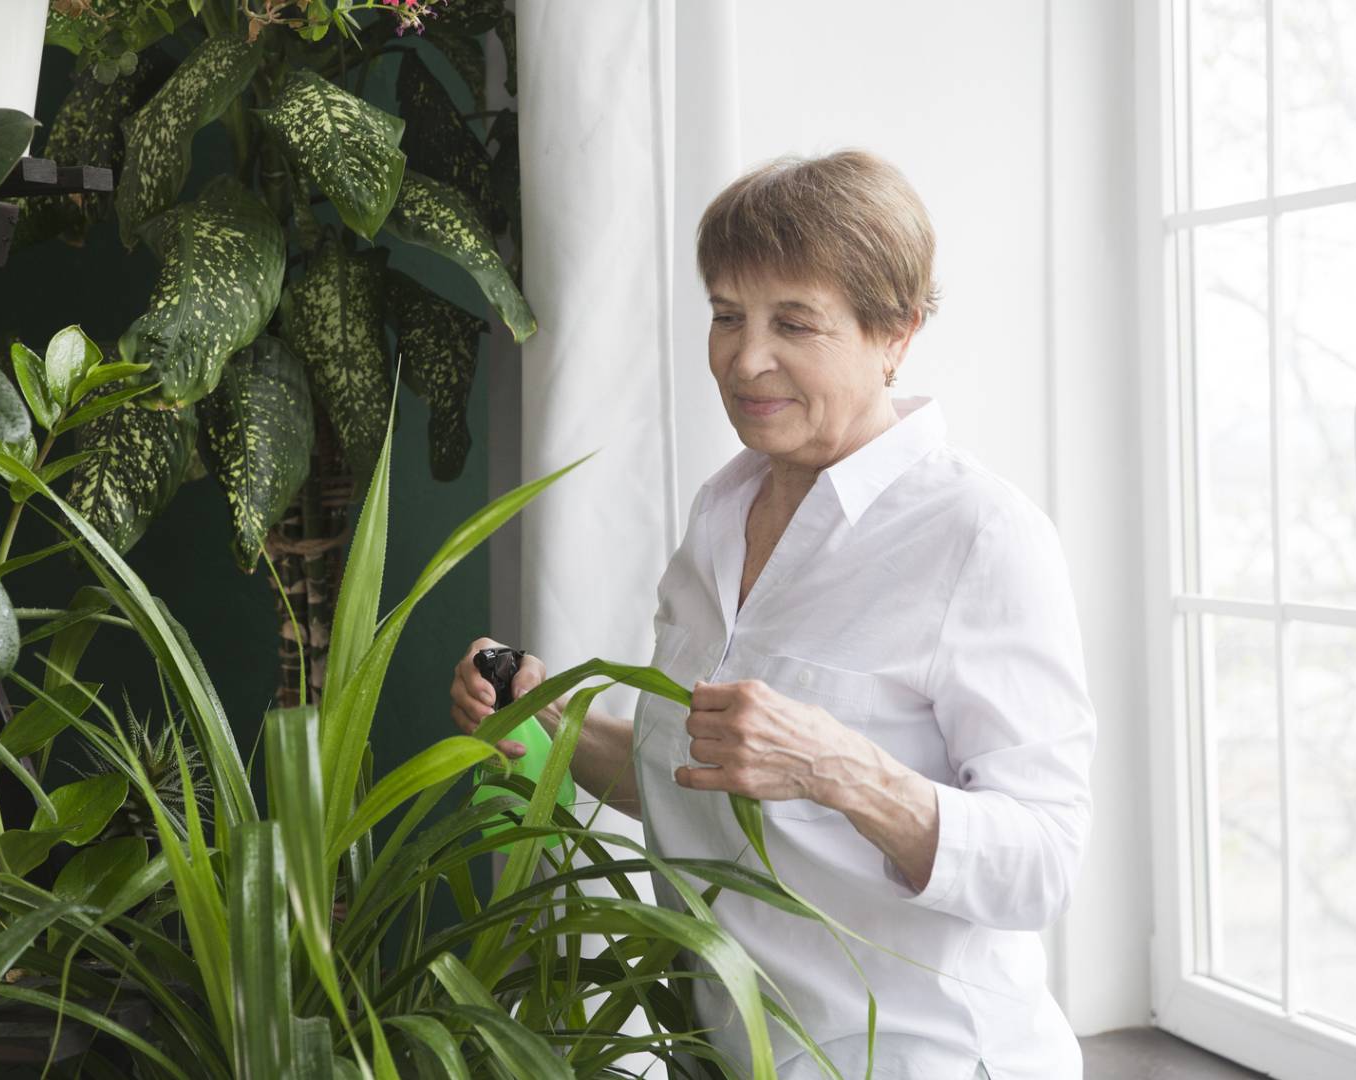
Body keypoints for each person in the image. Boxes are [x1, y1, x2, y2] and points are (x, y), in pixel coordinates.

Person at [450, 150, 1096, 1080]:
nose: (745, 359)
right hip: (729, 1050)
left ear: (896, 334)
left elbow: (1044, 862)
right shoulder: (719, 512)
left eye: (794, 322)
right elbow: (689, 781)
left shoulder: (981, 537)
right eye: (725, 315)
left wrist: (843, 771)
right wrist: (546, 713)